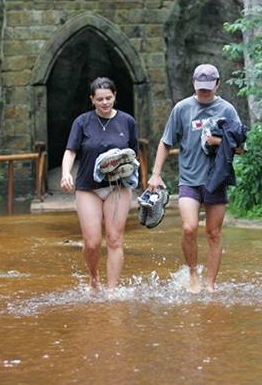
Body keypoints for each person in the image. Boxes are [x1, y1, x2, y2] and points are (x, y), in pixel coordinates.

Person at [148, 64, 242, 293]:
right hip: (189, 179)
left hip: (216, 179)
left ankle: (210, 283)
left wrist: (218, 143)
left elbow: (240, 148)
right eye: (200, 89)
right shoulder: (182, 109)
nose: (204, 93)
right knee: (189, 228)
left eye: (208, 89)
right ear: (193, 84)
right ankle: (192, 274)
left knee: (213, 232)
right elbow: (166, 141)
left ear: (217, 84)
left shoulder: (227, 110)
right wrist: (156, 174)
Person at [60, 77, 139, 291]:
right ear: (92, 100)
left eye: (109, 98)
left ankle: (112, 290)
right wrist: (66, 173)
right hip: (88, 188)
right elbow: (71, 151)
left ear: (115, 96)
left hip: (118, 186)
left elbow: (134, 154)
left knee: (114, 239)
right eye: (100, 99)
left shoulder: (127, 122)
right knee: (93, 242)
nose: (105, 103)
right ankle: (94, 278)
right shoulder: (82, 122)